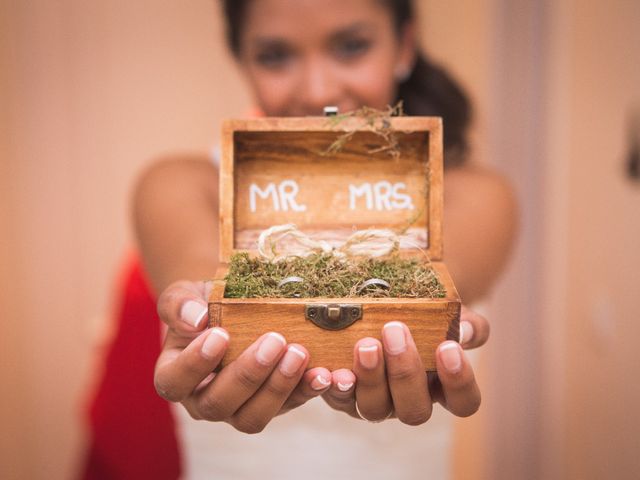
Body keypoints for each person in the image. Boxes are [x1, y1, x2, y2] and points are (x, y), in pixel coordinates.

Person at [81, 1, 516, 478]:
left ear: (404, 45)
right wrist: (203, 318)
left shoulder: (475, 194)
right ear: (241, 59)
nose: (318, 91)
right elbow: (208, 284)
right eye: (275, 55)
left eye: (352, 46)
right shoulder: (181, 184)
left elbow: (434, 292)